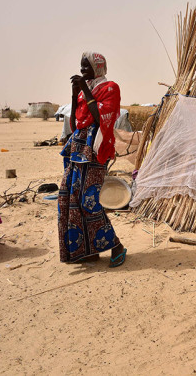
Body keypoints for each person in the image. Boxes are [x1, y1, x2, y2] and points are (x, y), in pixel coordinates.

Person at [58, 52, 127, 267]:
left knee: (90, 201)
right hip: (77, 148)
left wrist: (85, 90)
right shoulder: (84, 90)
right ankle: (87, 249)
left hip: (95, 149)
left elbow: (100, 118)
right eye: (81, 67)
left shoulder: (110, 88)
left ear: (98, 68)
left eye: (86, 68)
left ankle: (116, 246)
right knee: (69, 198)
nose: (82, 72)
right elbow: (76, 121)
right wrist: (74, 93)